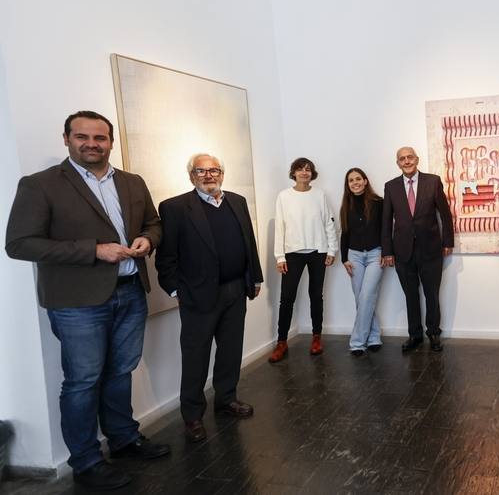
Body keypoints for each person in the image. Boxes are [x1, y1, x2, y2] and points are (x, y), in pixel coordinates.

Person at [5, 111, 168, 491]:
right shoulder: (40, 185)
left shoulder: (131, 181)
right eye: (82, 137)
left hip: (130, 292)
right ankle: (86, 460)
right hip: (78, 302)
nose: (92, 144)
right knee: (82, 381)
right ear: (66, 139)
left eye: (100, 137)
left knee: (120, 371)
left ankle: (124, 438)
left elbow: (154, 222)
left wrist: (148, 239)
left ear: (111, 141)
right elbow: (19, 244)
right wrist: (93, 250)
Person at [156, 153, 264, 443]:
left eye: (214, 170)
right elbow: (166, 258)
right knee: (196, 356)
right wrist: (177, 290)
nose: (208, 176)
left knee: (230, 350)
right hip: (198, 295)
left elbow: (248, 242)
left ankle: (226, 399)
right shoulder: (175, 208)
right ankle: (192, 417)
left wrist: (254, 276)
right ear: (191, 176)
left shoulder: (237, 202)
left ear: (222, 174)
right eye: (200, 171)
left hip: (234, 290)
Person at [381, 147, 454, 353]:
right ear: (398, 163)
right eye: (402, 159)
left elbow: (445, 214)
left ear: (417, 159)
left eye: (409, 157)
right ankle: (414, 334)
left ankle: (433, 333)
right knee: (410, 295)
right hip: (402, 251)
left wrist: (448, 241)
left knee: (432, 294)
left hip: (431, 250)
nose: (406, 161)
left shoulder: (433, 181)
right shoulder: (391, 187)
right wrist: (387, 251)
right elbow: (386, 221)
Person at [269, 157, 338, 363]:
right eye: (300, 169)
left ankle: (317, 338)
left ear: (312, 173)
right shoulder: (284, 196)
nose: (304, 173)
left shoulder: (320, 195)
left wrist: (332, 250)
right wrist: (280, 256)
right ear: (294, 173)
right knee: (286, 298)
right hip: (292, 253)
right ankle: (281, 342)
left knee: (316, 295)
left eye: (308, 169)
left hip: (318, 252)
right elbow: (280, 227)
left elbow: (328, 223)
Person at [340, 168, 385, 356]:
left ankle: (357, 341)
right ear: (348, 185)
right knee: (361, 298)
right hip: (354, 256)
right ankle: (374, 337)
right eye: (351, 180)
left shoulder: (379, 203)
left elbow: (385, 230)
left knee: (367, 295)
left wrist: (387, 252)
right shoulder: (346, 205)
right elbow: (345, 233)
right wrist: (344, 259)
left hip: (376, 254)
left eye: (358, 179)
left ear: (365, 181)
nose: (355, 183)